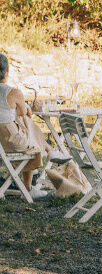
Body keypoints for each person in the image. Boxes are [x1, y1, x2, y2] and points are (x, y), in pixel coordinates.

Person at [0, 53, 69, 199]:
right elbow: (23, 113)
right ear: (7, 71)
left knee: (24, 125)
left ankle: (49, 151)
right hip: (13, 143)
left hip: (2, 144)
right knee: (28, 130)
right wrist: (25, 106)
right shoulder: (13, 92)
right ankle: (28, 188)